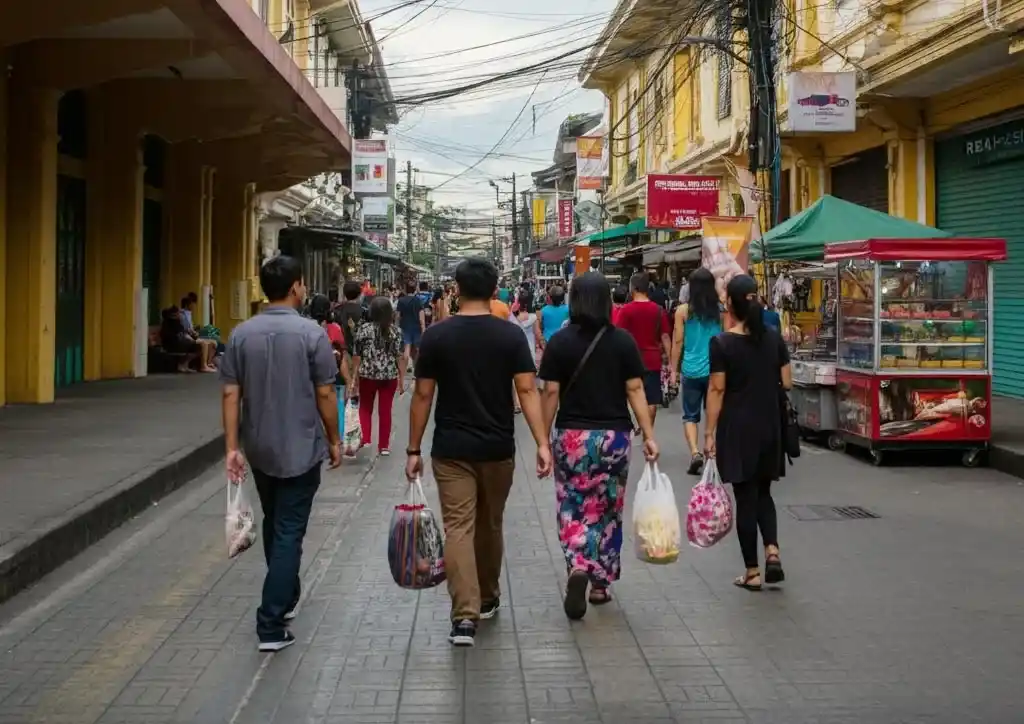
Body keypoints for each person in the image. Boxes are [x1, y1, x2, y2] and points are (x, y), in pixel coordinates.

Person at [406, 258, 551, 647]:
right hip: (498, 446)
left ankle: (464, 618)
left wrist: (413, 448)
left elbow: (422, 395)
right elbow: (526, 390)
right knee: (490, 524)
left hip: (450, 448)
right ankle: (487, 597)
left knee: (458, 528)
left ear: (456, 289)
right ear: (493, 291)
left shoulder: (437, 336)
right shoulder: (508, 337)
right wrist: (541, 442)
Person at [220, 255, 342, 652]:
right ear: (295, 287)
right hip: (301, 446)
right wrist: (335, 438)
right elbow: (326, 391)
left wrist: (232, 447)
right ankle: (270, 623)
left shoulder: (241, 334)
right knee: (289, 531)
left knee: (277, 522)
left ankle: (285, 595)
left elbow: (229, 393)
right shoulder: (312, 334)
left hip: (259, 447)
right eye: (303, 283)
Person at [538, 272, 659, 620]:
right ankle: (601, 583)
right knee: (607, 509)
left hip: (573, 437)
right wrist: (649, 434)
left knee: (573, 504)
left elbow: (550, 393)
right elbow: (636, 390)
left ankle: (578, 566)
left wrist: (542, 441)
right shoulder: (622, 341)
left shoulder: (560, 342)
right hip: (613, 437)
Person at [705, 274, 791, 592]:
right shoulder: (772, 337)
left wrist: (709, 433)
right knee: (765, 492)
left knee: (746, 497)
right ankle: (773, 551)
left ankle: (752, 572)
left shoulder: (723, 343)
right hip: (770, 424)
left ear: (730, 304)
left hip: (738, 427)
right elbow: (788, 380)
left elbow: (716, 389)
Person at [670, 268, 725, 475]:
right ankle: (712, 450)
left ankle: (694, 453)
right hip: (715, 371)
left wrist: (673, 370)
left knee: (690, 415)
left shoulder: (683, 311)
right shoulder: (721, 311)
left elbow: (678, 341)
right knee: (715, 413)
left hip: (691, 369)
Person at [615, 272, 671, 425]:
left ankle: (640, 422)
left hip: (630, 360)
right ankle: (648, 428)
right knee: (652, 399)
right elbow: (665, 336)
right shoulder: (659, 310)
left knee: (630, 392)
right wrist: (670, 360)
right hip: (653, 360)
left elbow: (618, 335)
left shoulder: (626, 310)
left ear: (632, 289)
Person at [352, 296, 405, 456]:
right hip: (389, 376)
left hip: (367, 374)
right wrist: (401, 380)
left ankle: (366, 438)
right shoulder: (395, 331)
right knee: (385, 410)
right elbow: (399, 356)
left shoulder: (363, 330)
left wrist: (354, 377)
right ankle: (384, 446)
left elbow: (357, 355)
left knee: (366, 407)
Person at [310, 294, 351, 433]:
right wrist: (349, 381)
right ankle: (337, 436)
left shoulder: (305, 328)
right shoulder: (334, 328)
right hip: (334, 376)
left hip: (310, 377)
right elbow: (343, 356)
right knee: (337, 405)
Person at [510, 291, 542, 414]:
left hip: (515, 349)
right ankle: (531, 404)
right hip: (529, 349)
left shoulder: (513, 318)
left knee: (515, 379)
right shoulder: (533, 317)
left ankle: (517, 402)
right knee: (530, 380)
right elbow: (537, 333)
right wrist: (542, 345)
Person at [159, 306, 202, 373]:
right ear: (175, 314)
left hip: (174, 343)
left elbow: (183, 334)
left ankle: (184, 365)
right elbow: (181, 335)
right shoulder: (172, 323)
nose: (181, 315)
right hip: (172, 345)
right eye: (179, 313)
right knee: (197, 347)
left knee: (195, 345)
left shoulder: (174, 322)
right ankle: (182, 365)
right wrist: (192, 340)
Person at [396, 281, 425, 366]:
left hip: (405, 326)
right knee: (416, 348)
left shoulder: (401, 300)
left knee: (406, 346)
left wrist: (396, 326)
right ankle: (414, 367)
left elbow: (398, 316)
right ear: (415, 289)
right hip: (416, 327)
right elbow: (421, 317)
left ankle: (407, 366)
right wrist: (423, 328)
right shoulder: (418, 300)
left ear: (405, 289)